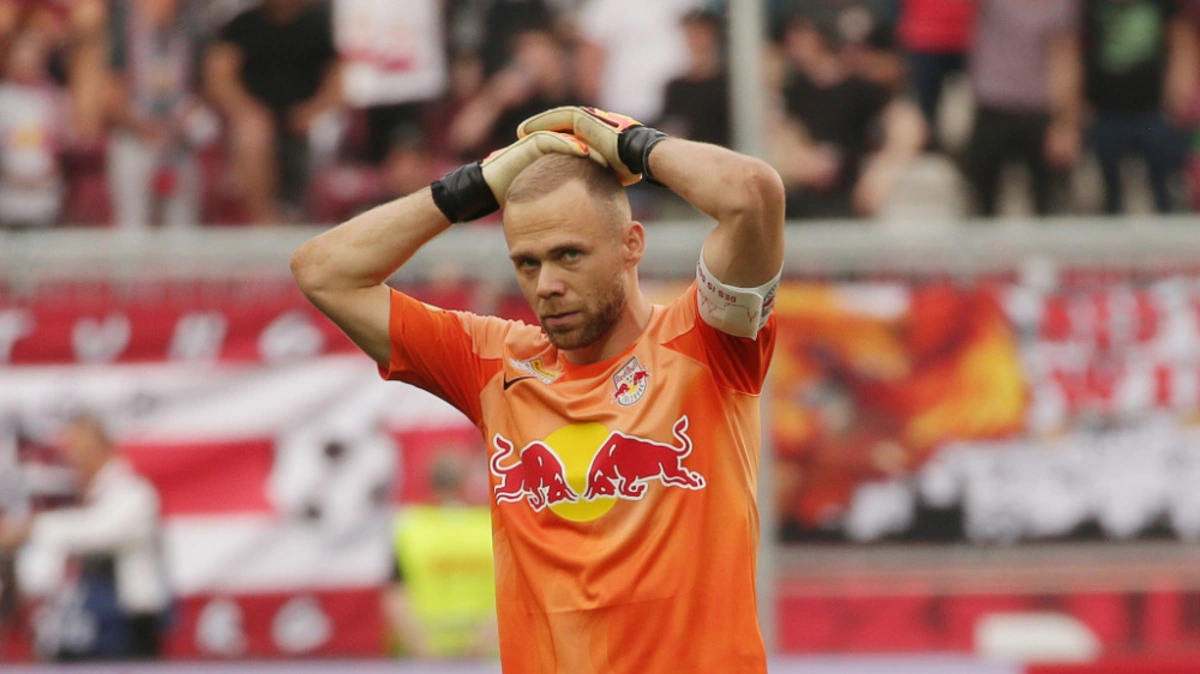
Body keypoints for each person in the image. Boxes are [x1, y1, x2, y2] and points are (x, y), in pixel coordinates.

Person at [291, 106, 785, 672]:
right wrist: (476, 185)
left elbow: (753, 194)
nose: (547, 284)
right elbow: (322, 271)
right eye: (527, 264)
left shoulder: (708, 342)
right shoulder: (493, 364)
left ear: (631, 244)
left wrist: (631, 143)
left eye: (569, 255)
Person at [0, 414, 169, 661]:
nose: (73, 459)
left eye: (81, 450)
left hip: (126, 631)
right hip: (76, 631)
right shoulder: (79, 498)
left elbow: (99, 531)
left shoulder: (135, 494)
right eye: (70, 452)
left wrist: (30, 529)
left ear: (103, 448)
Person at [771, 15, 926, 218]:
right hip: (797, 198)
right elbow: (779, 128)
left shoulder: (861, 87)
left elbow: (908, 125)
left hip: (849, 198)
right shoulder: (791, 87)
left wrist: (882, 174)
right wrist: (799, 159)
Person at [204, 0, 342, 223]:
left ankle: (314, 222)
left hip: (308, 118)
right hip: (257, 117)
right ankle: (264, 221)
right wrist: (248, 110)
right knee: (251, 134)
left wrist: (312, 110)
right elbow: (219, 78)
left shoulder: (316, 24)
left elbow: (337, 80)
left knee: (323, 134)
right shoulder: (243, 25)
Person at [963, 0, 1081, 216]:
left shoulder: (1061, 5)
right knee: (981, 201)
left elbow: (1064, 58)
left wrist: (1064, 124)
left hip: (1039, 108)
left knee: (1047, 202)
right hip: (992, 104)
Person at [105, 0, 215, 230]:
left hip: (178, 139)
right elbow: (111, 95)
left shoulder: (191, 35)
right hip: (135, 136)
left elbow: (203, 88)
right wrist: (145, 129)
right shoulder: (123, 36)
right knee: (133, 227)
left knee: (184, 226)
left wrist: (182, 121)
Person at [1081, 0, 1198, 214]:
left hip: (1155, 112)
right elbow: (1074, 48)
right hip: (1104, 112)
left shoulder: (1162, 4)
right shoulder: (1091, 5)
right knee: (1109, 195)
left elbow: (1182, 43)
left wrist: (1178, 96)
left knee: (1164, 192)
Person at [385, 452, 497, 659]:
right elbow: (511, 592)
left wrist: (422, 647)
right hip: (485, 655)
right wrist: (482, 642)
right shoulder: (492, 526)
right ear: (467, 482)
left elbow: (396, 596)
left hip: (424, 656)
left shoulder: (409, 526)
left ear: (428, 481)